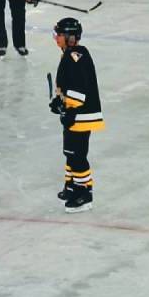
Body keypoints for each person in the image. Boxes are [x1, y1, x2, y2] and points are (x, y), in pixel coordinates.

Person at [49, 18, 103, 213]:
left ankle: (84, 194)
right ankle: (72, 186)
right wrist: (59, 101)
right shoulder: (70, 54)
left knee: (78, 155)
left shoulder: (76, 56)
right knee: (70, 153)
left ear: (70, 38)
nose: (56, 39)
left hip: (81, 116)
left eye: (59, 35)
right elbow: (68, 85)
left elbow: (79, 88)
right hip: (75, 115)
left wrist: (70, 110)